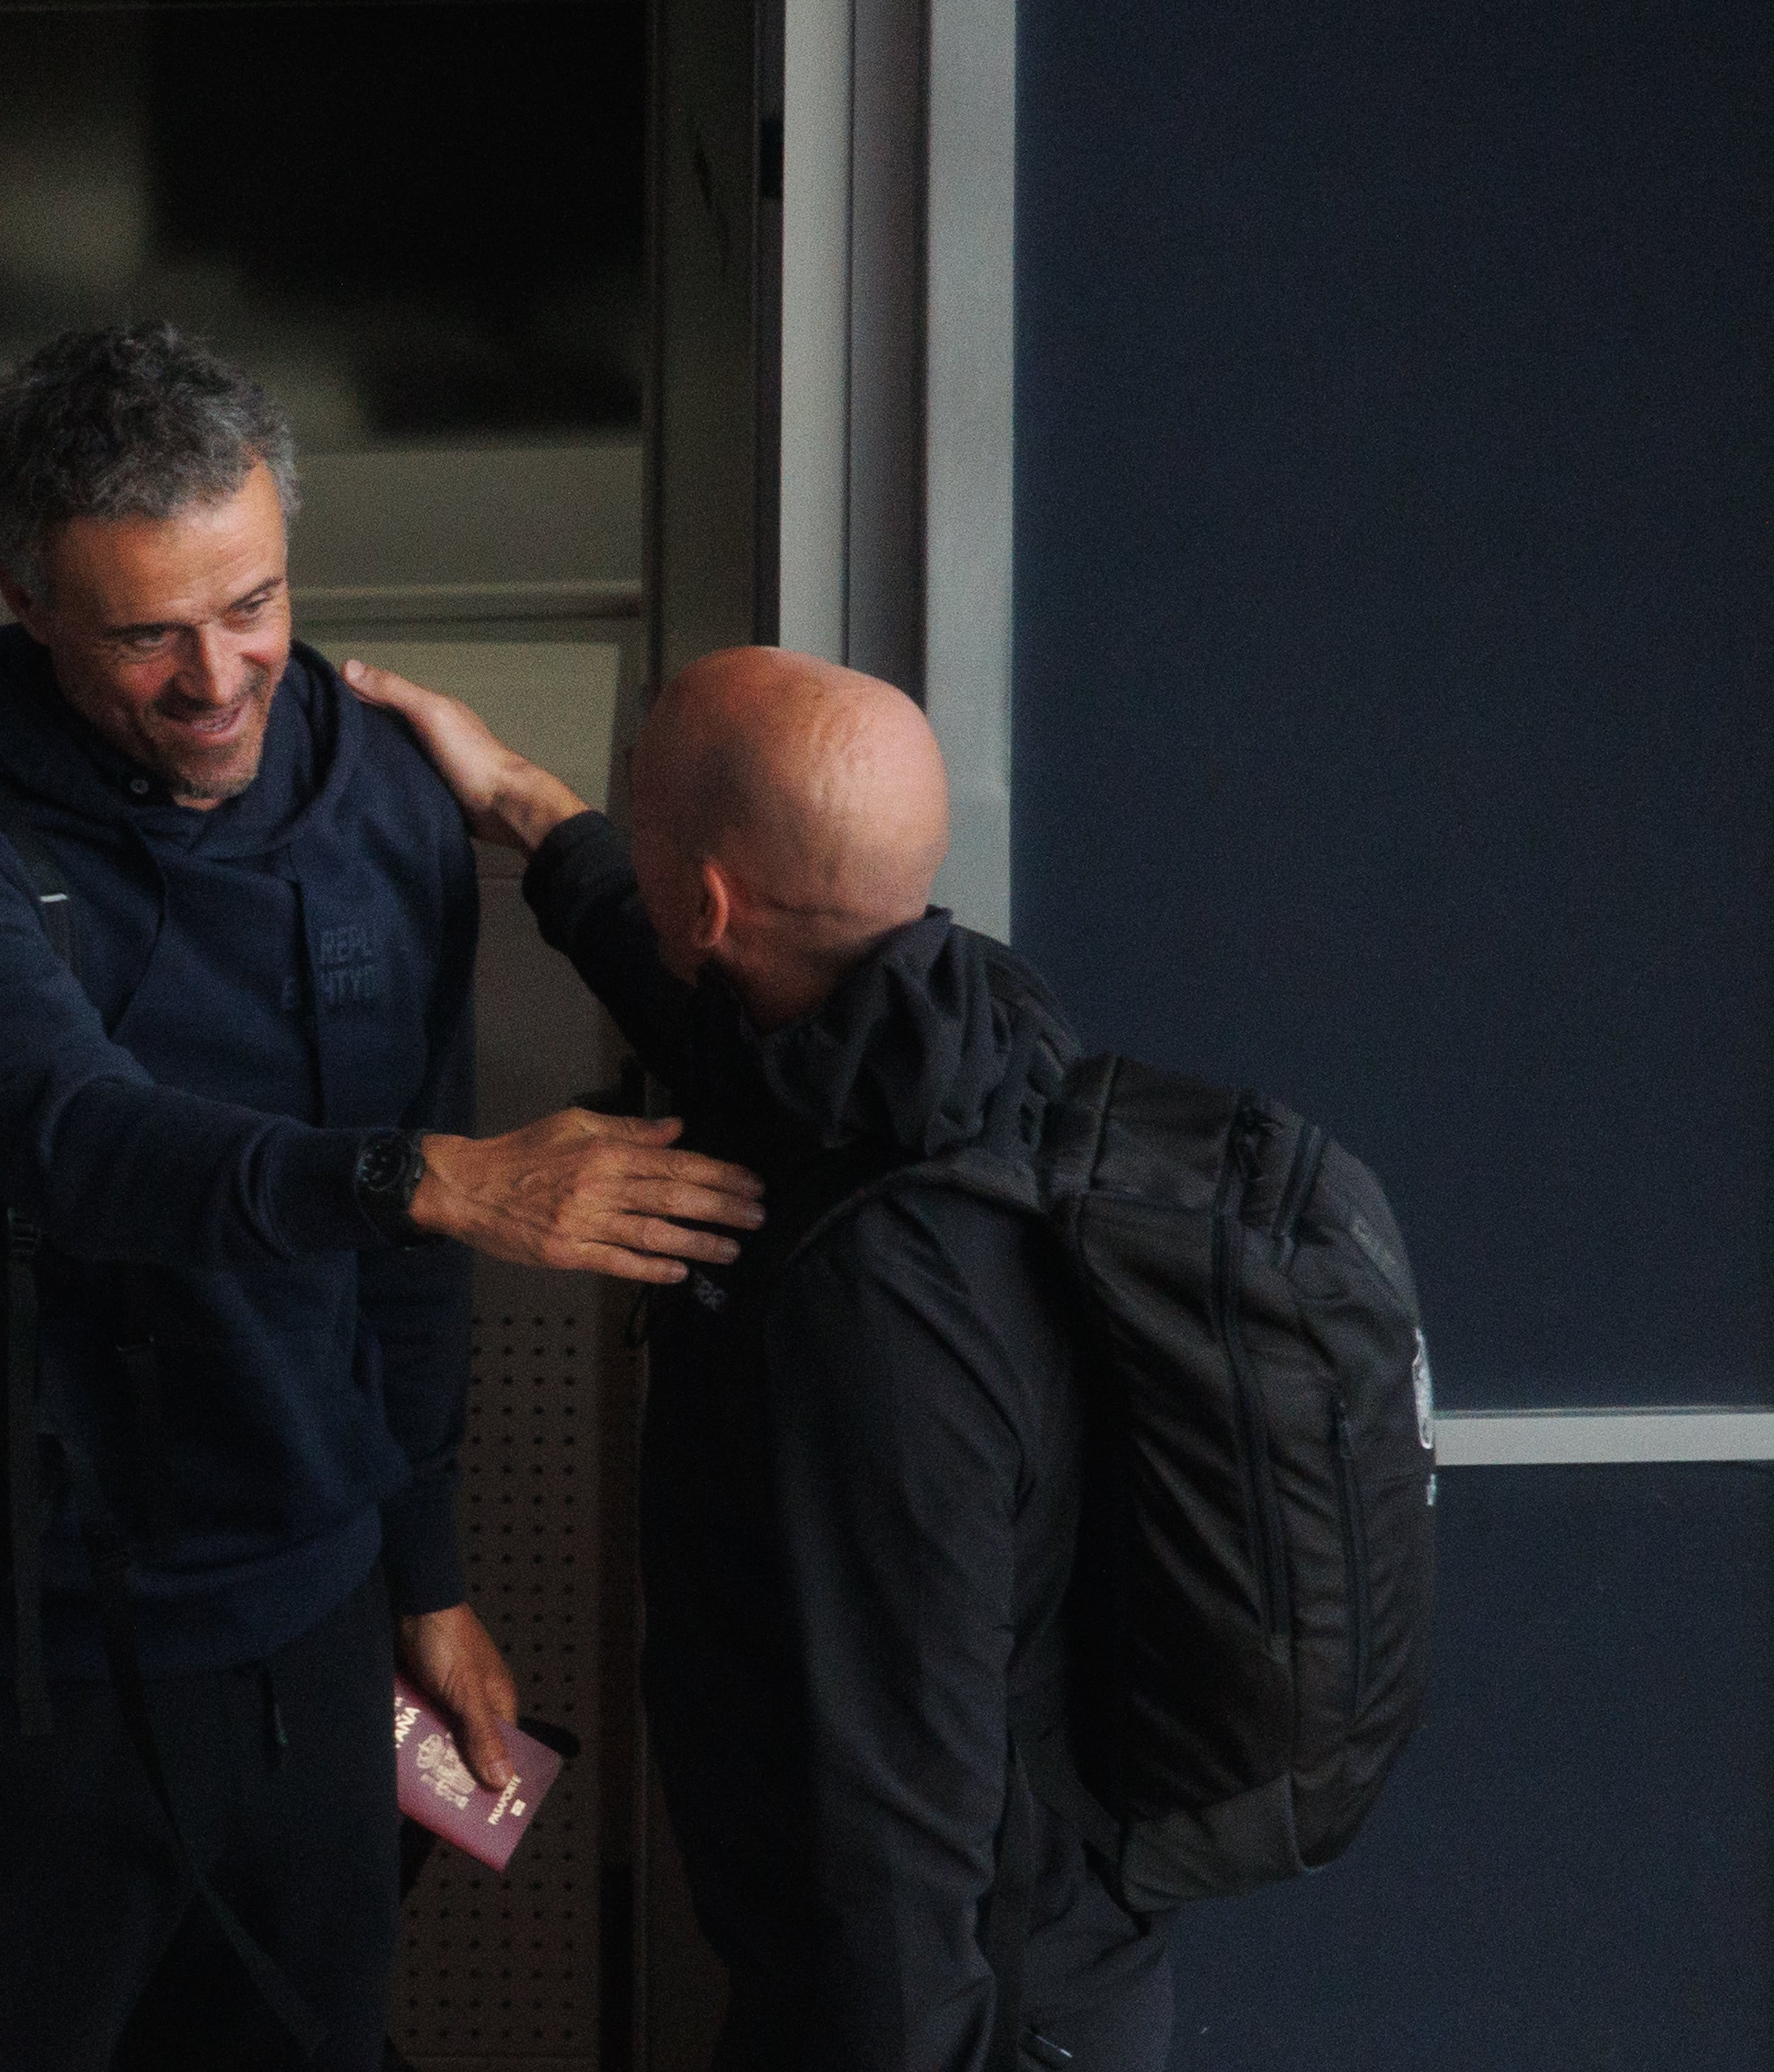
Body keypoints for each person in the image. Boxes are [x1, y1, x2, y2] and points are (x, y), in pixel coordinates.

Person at [0, 322, 765, 2072]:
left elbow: (401, 1285)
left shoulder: (380, 799)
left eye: (252, 602)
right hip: (23, 1661)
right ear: (27, 599)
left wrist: (428, 1573)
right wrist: (433, 1184)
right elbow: (79, 1140)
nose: (219, 674)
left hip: (311, 1631)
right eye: (146, 630)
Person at [345, 648, 1176, 2071]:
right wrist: (529, 806)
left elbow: (906, 1828)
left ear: (718, 900)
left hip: (954, 2017)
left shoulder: (880, 1310)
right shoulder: (953, 1039)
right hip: (950, 1971)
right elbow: (692, 991)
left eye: (640, 812)